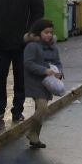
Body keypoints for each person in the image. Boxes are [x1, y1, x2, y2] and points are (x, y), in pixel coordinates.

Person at [21, 18, 65, 150]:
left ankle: (35, 137)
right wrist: (44, 70)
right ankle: (30, 131)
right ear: (38, 33)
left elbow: (58, 62)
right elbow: (28, 63)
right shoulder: (32, 46)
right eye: (46, 32)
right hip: (35, 81)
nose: (49, 35)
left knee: (39, 109)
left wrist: (60, 72)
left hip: (49, 82)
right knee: (42, 108)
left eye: (51, 32)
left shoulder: (53, 48)